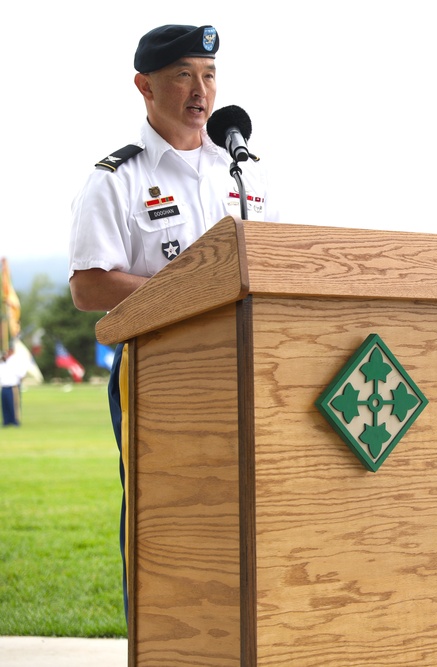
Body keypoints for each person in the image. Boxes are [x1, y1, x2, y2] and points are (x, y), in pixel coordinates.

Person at [67, 24, 281, 619]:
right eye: (184, 74)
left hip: (248, 370)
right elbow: (89, 285)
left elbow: (278, 262)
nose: (201, 90)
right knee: (162, 509)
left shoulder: (245, 172)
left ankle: (238, 634)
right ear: (145, 85)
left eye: (210, 75)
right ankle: (159, 637)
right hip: (157, 375)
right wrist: (191, 291)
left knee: (252, 506)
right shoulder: (118, 179)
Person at [1, 347, 29, 427]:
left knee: (13, 405)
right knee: (5, 405)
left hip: (12, 387)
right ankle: (6, 421)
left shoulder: (15, 362)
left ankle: (15, 421)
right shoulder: (3, 363)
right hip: (4, 386)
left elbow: (22, 374)